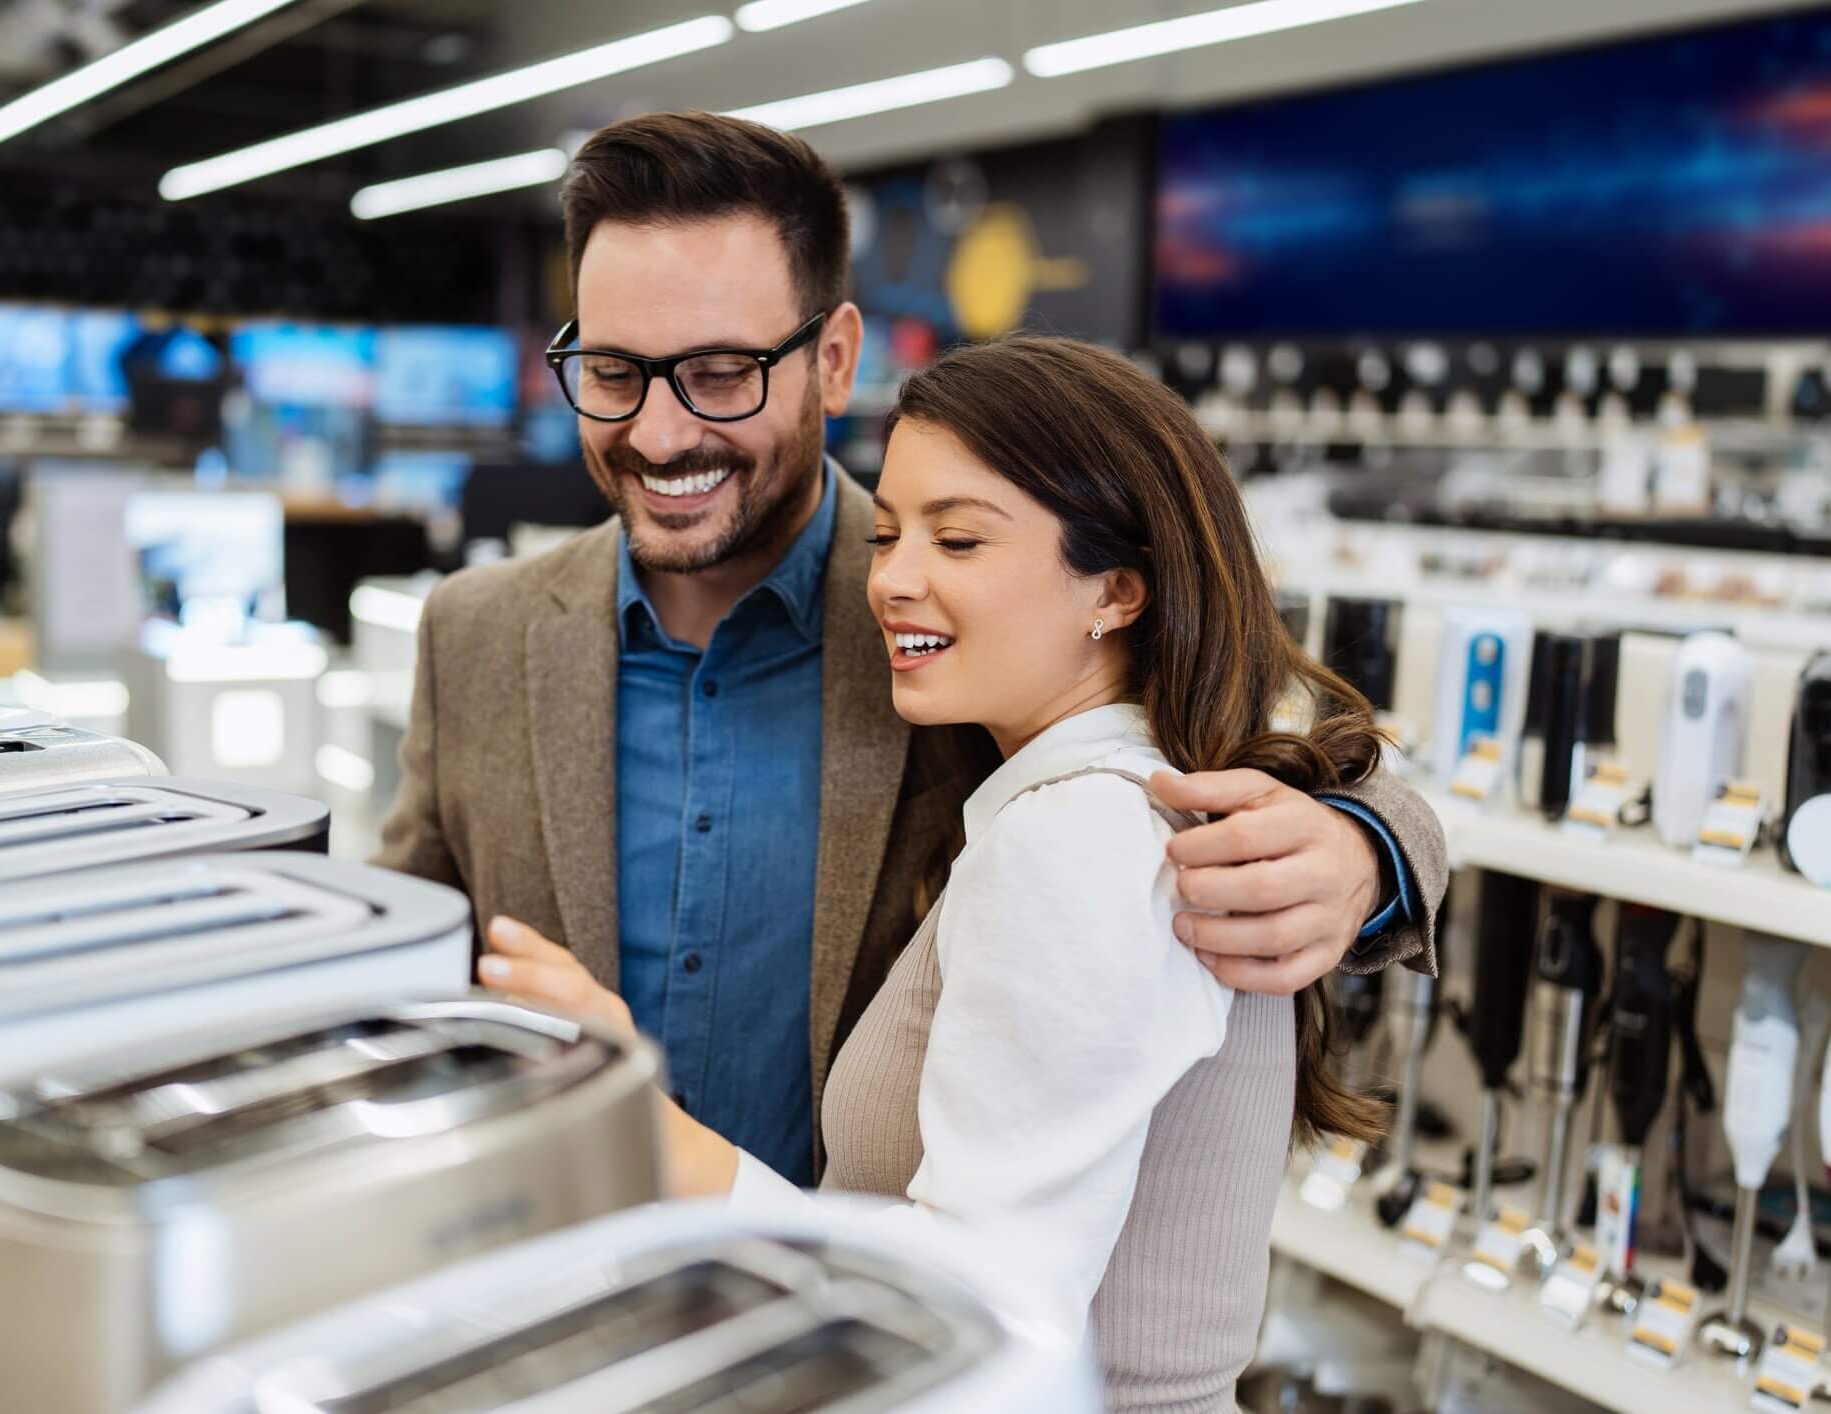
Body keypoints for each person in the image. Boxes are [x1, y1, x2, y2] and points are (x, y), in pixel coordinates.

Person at [375, 111, 1447, 1187]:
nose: (659, 434)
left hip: (871, 1323)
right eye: (613, 372)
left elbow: (1319, 762)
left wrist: (1364, 854)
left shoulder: (961, 621)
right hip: (555, 1291)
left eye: (718, 372)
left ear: (833, 360)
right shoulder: (480, 633)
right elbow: (407, 950)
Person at [482, 333, 1395, 1412]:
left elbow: (976, 1310)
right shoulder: (1091, 798)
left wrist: (641, 1122)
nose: (895, 579)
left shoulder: (1083, 838)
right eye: (888, 533)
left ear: (1117, 589)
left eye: (958, 540)